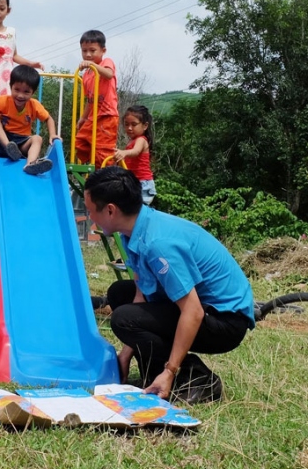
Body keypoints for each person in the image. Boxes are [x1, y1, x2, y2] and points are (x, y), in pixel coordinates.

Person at [83, 166, 255, 404]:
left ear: (111, 210)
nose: (90, 218)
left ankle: (194, 377)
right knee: (119, 294)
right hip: (202, 308)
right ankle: (154, 373)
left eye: (91, 211)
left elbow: (193, 311)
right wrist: (125, 354)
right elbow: (142, 292)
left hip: (225, 320)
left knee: (123, 318)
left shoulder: (158, 244)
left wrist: (170, 370)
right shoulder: (133, 231)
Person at [0, 65, 61, 175]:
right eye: (17, 90)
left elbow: (48, 118)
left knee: (37, 138)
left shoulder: (34, 105)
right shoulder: (2, 101)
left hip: (22, 143)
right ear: (11, 86)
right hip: (3, 140)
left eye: (26, 92)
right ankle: (9, 147)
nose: (20, 95)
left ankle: (30, 164)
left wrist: (52, 134)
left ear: (33, 92)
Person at [75, 30, 118, 167]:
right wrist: (83, 117)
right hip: (93, 117)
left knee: (103, 149)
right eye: (84, 51)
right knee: (80, 142)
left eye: (92, 50)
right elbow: (90, 100)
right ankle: (92, 164)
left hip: (107, 116)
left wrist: (93, 65)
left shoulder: (106, 62)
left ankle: (105, 171)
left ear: (103, 50)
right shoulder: (87, 74)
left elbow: (109, 74)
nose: (88, 54)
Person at [112, 105, 156, 205]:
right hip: (134, 183)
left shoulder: (141, 140)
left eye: (134, 124)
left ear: (145, 126)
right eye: (126, 124)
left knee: (135, 212)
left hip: (143, 184)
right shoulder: (131, 142)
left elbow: (135, 152)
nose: (129, 128)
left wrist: (123, 153)